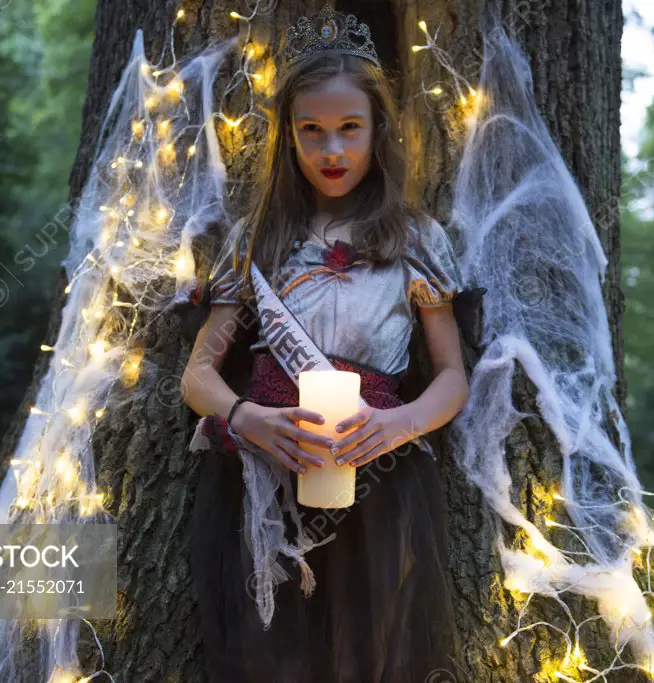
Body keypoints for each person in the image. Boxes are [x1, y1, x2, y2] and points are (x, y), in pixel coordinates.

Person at [181, 5, 469, 681]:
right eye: (311, 132)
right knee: (270, 655)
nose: (331, 151)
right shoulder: (259, 240)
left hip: (380, 484)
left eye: (349, 129)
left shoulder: (415, 241)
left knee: (367, 652)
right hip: (261, 480)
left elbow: (453, 374)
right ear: (289, 139)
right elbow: (198, 372)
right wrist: (243, 416)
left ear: (378, 131)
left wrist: (400, 422)